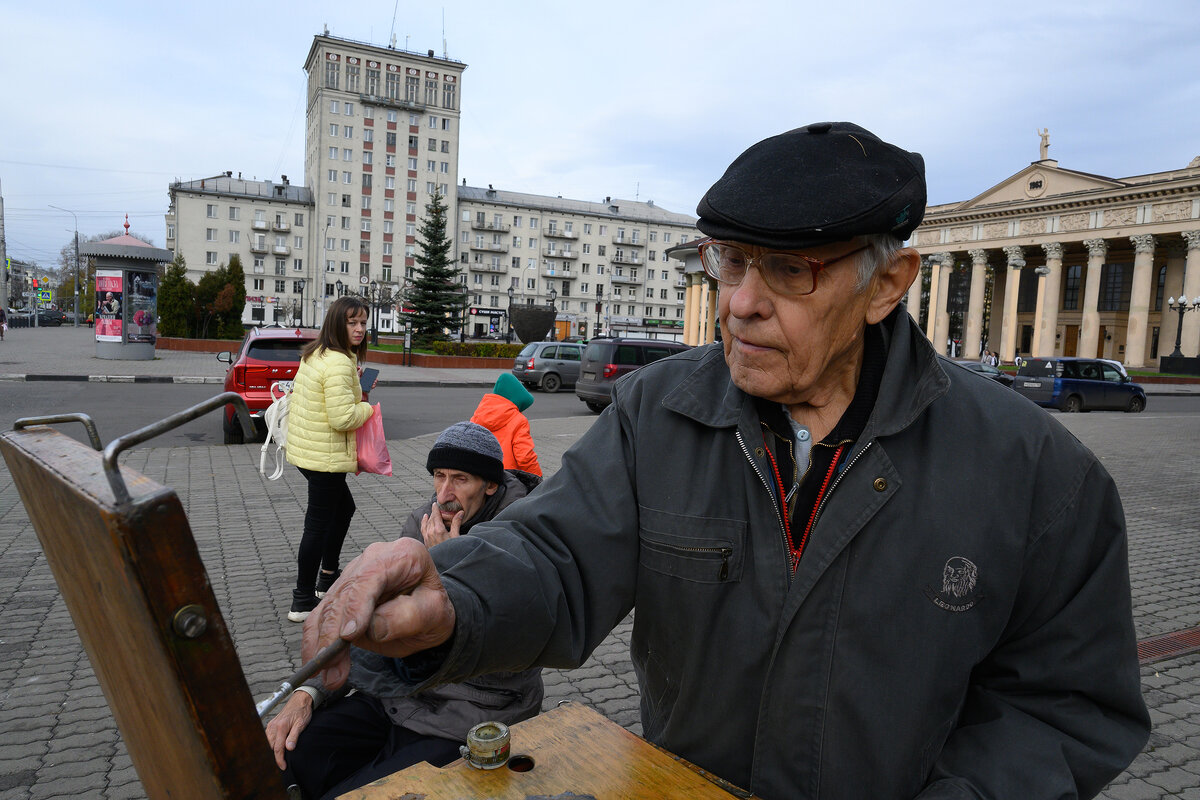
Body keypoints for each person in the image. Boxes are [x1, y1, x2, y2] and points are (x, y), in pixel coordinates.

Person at [304, 123, 1150, 799]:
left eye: (788, 270)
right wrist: (450, 599)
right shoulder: (657, 413)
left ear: (888, 284)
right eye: (730, 260)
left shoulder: (1039, 474)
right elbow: (555, 556)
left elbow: (1065, 708)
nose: (740, 303)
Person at [266, 421, 542, 800]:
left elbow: (502, 652)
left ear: (490, 485)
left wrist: (446, 563)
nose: (445, 494)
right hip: (394, 697)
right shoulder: (423, 522)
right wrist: (310, 692)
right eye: (439, 476)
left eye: (460, 479)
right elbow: (369, 619)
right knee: (287, 759)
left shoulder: (521, 534)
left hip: (469, 712)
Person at [284, 295, 377, 623]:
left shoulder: (317, 353)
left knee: (344, 509)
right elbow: (342, 418)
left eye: (363, 323)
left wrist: (357, 389)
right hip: (325, 457)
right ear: (338, 323)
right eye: (352, 322)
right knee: (317, 525)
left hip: (308, 452)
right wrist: (368, 406)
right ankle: (302, 599)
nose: (359, 329)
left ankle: (327, 577)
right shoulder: (339, 361)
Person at [469, 372, 541, 477]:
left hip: (479, 476)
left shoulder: (477, 415)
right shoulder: (519, 420)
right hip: (507, 479)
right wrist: (537, 478)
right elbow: (525, 457)